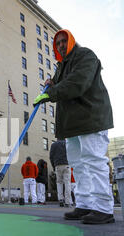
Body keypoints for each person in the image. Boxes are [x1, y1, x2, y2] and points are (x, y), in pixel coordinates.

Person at [33, 29, 114, 224]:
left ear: (71, 41)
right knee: (77, 165)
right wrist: (52, 84)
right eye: (58, 43)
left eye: (64, 41)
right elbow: (62, 84)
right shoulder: (61, 66)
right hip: (72, 124)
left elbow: (77, 82)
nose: (60, 45)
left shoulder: (85, 55)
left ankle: (103, 208)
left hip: (90, 117)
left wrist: (51, 93)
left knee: (93, 161)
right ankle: (84, 204)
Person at [50, 139, 72, 207]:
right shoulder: (67, 143)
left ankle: (60, 199)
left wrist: (54, 166)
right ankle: (68, 201)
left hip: (57, 165)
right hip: (67, 164)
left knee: (59, 182)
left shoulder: (53, 145)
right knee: (67, 182)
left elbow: (51, 156)